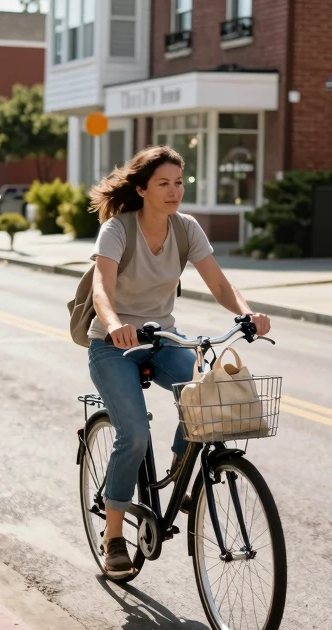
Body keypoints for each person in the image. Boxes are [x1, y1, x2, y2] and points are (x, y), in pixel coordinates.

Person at [86, 145, 271, 579]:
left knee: (209, 400)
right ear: (142, 189)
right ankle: (114, 537)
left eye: (179, 183)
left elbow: (219, 282)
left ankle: (178, 469)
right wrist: (114, 324)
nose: (174, 192)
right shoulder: (117, 230)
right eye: (164, 184)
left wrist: (245, 313)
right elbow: (101, 290)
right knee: (133, 433)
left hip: (162, 339)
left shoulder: (186, 229)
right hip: (112, 345)